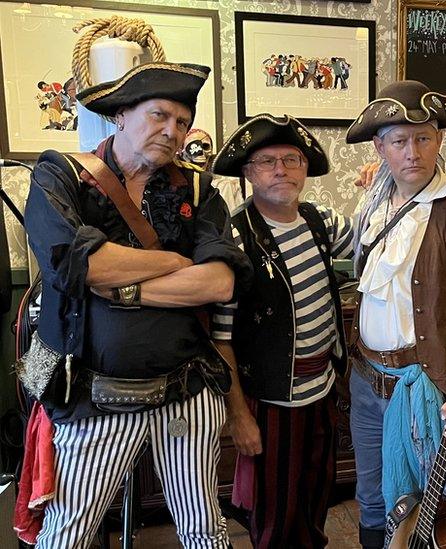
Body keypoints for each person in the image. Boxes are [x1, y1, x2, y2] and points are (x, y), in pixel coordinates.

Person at [23, 62, 251, 547]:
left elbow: (219, 282)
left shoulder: (196, 188)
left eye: (183, 122)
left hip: (188, 392)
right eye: (159, 115)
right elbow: (82, 266)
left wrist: (126, 287)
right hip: (93, 398)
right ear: (122, 114)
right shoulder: (59, 174)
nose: (173, 131)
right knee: (68, 532)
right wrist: (176, 261)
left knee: (205, 529)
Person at [345, 80, 446, 549]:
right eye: (398, 141)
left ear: (439, 141)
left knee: (440, 506)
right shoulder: (371, 207)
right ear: (379, 147)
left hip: (429, 385)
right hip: (366, 380)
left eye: (423, 138)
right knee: (373, 498)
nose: (412, 151)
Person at [209, 114, 355, 548]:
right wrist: (239, 416)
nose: (281, 169)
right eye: (267, 160)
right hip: (270, 401)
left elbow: (381, 237)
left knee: (316, 496)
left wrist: (383, 179)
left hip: (323, 389)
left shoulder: (322, 221)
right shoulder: (235, 238)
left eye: (291, 159)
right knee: (274, 512)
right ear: (248, 173)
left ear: (305, 169)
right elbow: (221, 339)